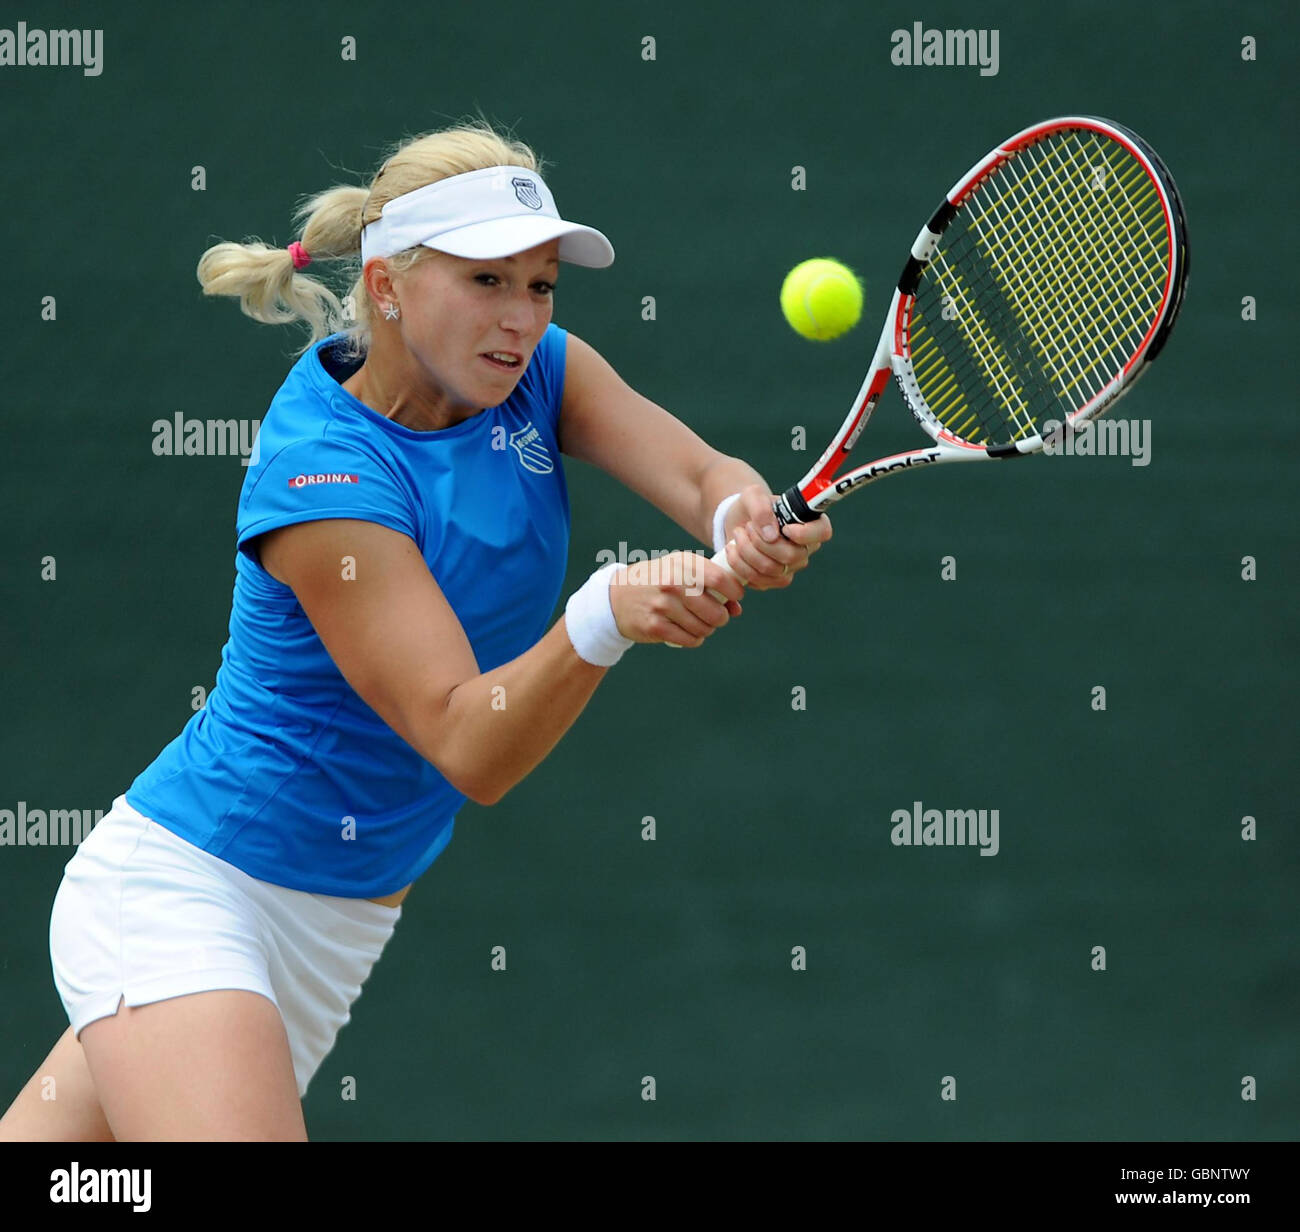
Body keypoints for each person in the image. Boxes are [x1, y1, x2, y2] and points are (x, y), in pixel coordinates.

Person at [0, 121, 831, 1141]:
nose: (520, 317)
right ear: (388, 283)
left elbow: (704, 475)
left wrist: (737, 515)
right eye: (485, 281)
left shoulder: (539, 375)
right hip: (188, 887)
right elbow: (463, 739)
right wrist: (604, 615)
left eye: (539, 285)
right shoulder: (324, 477)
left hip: (339, 923)